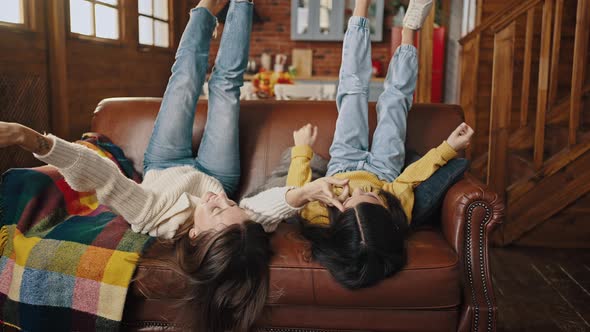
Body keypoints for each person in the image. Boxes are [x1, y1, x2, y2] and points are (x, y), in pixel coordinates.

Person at [0, 0, 347, 330]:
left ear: (194, 234)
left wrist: (30, 138)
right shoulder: (235, 225)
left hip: (165, 163)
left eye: (218, 210)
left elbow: (102, 176)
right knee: (226, 88)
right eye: (232, 205)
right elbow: (263, 210)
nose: (224, 202)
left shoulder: (150, 214)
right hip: (218, 172)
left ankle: (204, 11)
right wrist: (304, 191)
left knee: (184, 80)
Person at [284, 0, 475, 290]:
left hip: (343, 161)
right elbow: (410, 178)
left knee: (352, 89)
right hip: (385, 170)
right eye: (370, 197)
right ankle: (409, 30)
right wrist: (448, 147)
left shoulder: (319, 217)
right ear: (385, 212)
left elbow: (296, 190)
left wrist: (302, 151)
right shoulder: (396, 211)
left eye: (349, 199)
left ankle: (361, 6)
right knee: (396, 101)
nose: (358, 190)